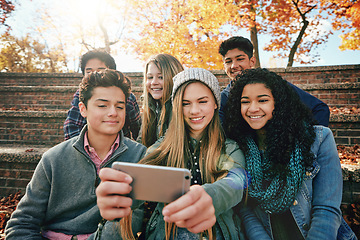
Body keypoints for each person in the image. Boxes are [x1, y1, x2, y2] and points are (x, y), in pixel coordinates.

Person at [93, 68, 248, 239]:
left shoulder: (229, 147)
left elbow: (236, 181)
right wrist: (121, 195)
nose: (194, 110)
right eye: (185, 103)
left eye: (202, 101)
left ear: (216, 103)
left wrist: (209, 196)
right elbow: (142, 177)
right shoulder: (163, 147)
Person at [5, 70, 147, 239]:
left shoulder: (139, 155)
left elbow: (132, 220)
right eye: (102, 105)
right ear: (83, 109)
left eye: (120, 106)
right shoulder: (53, 158)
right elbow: (21, 224)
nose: (113, 112)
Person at [224, 68, 357, 239]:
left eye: (262, 100)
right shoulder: (239, 148)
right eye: (245, 101)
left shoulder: (318, 139)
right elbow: (246, 209)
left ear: (278, 103)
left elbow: (327, 209)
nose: (253, 108)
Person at [218, 36, 330, 127]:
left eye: (240, 59)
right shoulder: (223, 98)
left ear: (252, 61)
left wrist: (308, 144)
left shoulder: (272, 85)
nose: (234, 66)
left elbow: (320, 109)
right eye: (228, 61)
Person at [64, 49, 141, 140]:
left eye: (101, 71)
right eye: (89, 72)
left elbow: (136, 127)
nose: (94, 75)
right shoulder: (81, 95)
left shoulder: (127, 96)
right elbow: (72, 126)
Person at [137, 53, 184, 147]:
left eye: (161, 77)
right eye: (150, 77)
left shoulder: (181, 108)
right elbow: (141, 143)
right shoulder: (152, 107)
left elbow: (167, 143)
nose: (154, 82)